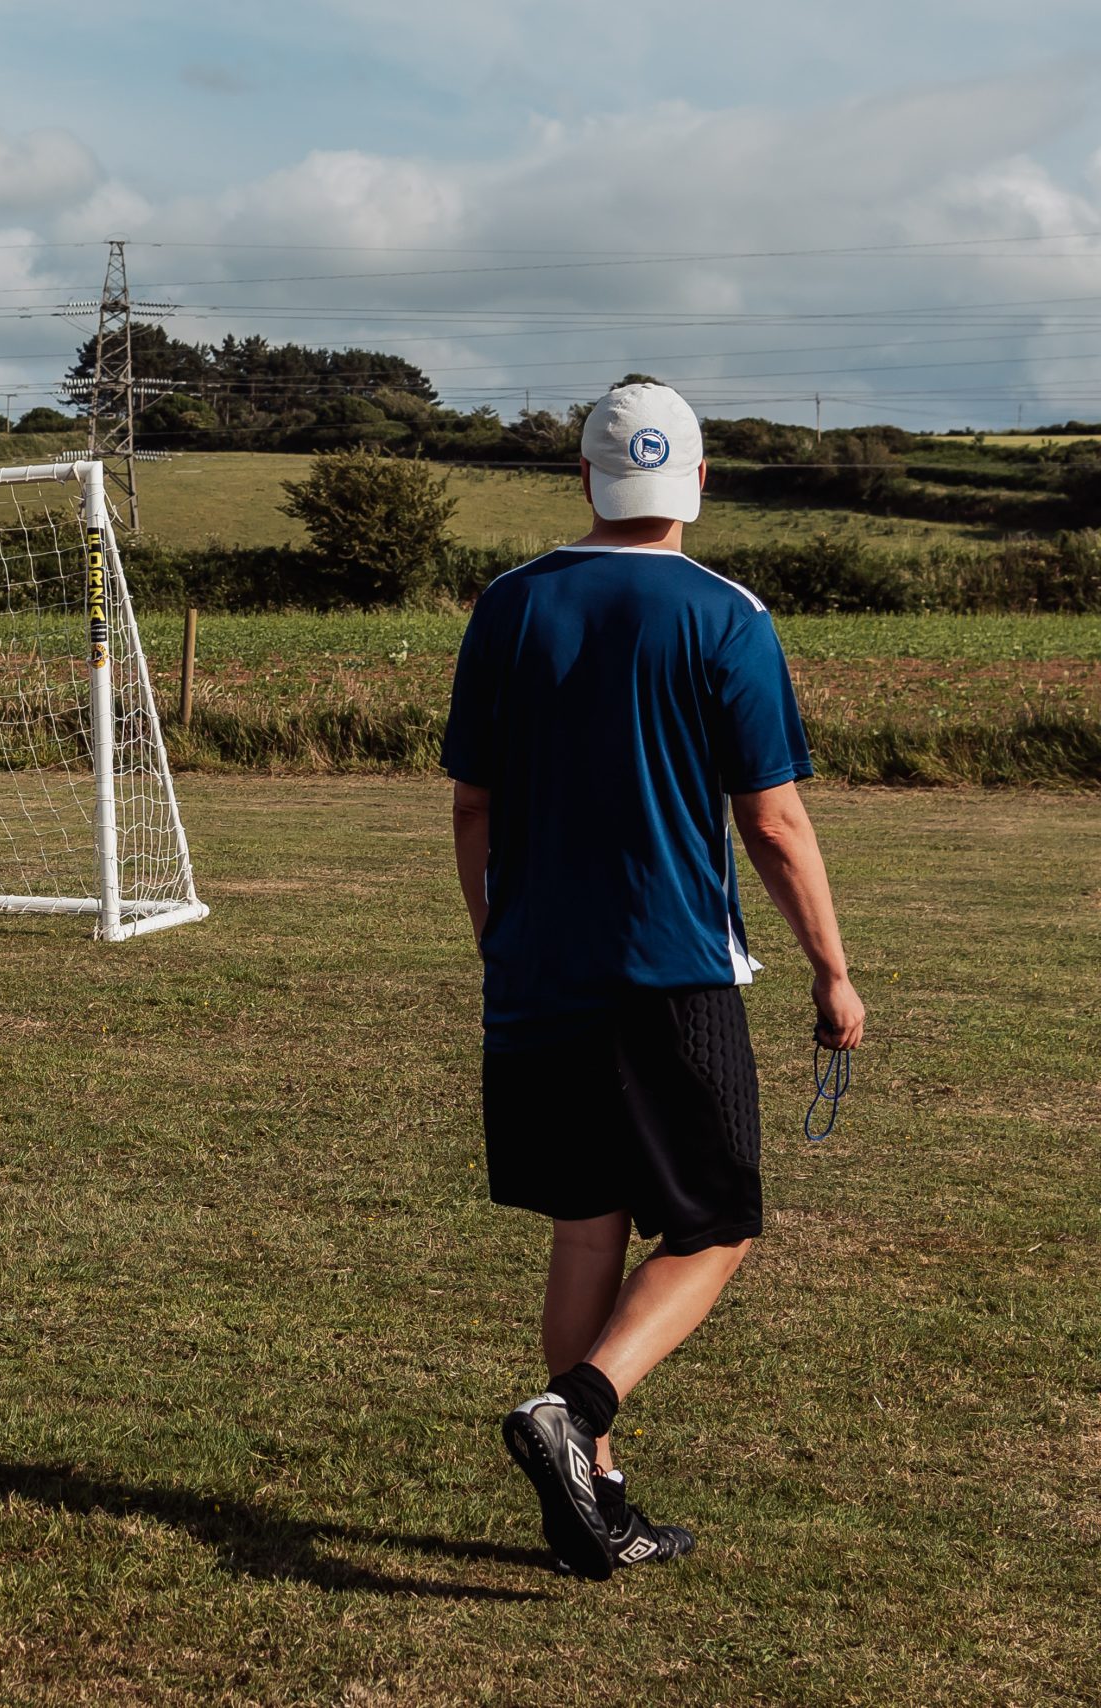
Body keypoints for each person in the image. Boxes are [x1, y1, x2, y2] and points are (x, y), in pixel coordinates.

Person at [443, 382, 866, 1581]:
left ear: (585, 480)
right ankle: (572, 1410)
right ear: (696, 483)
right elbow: (773, 821)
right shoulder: (725, 614)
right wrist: (832, 970)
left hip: (534, 974)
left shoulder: (507, 605)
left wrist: (497, 933)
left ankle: (594, 1502)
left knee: (589, 1223)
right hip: (666, 972)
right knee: (718, 1220)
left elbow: (471, 805)